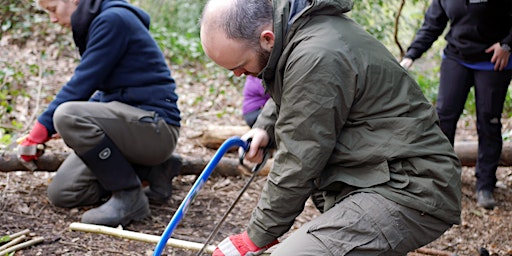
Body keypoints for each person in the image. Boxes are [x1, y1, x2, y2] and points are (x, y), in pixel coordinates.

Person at [200, 0, 462, 255]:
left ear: (267, 38)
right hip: (379, 174)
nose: (237, 75)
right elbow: (295, 91)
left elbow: (298, 161)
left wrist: (255, 237)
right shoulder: (300, 30)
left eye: (241, 67)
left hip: (408, 186)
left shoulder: (315, 54)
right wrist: (265, 127)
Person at [18, 0, 181, 227]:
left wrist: (43, 128)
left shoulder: (113, 20)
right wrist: (81, 118)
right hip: (132, 126)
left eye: (53, 10)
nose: (52, 19)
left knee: (67, 115)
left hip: (156, 127)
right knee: (64, 193)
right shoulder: (98, 22)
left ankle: (128, 196)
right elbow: (108, 92)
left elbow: (83, 82)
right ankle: (151, 171)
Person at [400, 0, 512, 210]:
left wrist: (507, 44)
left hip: (493, 59)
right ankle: (440, 180)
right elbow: (433, 24)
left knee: (489, 121)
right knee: (443, 117)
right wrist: (410, 55)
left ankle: (485, 185)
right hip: (457, 57)